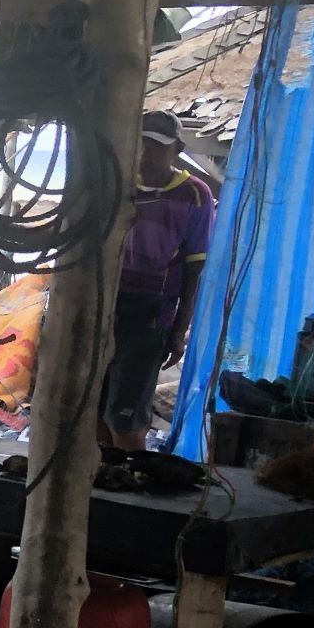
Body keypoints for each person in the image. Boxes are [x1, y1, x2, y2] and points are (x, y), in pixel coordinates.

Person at [102, 110, 216, 450]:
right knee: (93, 402)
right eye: (141, 144)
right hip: (107, 303)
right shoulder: (117, 186)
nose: (145, 154)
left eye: (156, 146)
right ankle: (99, 481)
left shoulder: (195, 195)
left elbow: (195, 271)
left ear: (177, 149)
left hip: (152, 314)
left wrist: (179, 331)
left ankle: (124, 478)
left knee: (127, 410)